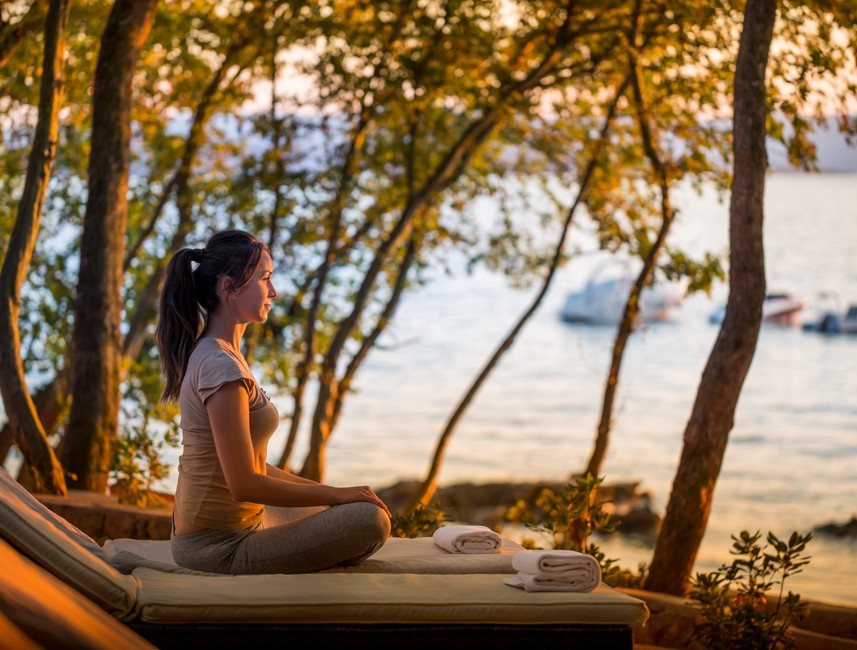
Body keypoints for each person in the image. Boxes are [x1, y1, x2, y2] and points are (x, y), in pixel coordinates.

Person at [155, 229, 391, 575]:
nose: (274, 291)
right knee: (369, 521)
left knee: (352, 510)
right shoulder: (219, 366)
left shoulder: (222, 354)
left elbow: (253, 466)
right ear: (228, 287)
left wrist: (334, 493)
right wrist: (336, 496)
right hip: (217, 547)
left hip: (238, 525)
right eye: (265, 278)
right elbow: (244, 485)